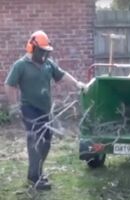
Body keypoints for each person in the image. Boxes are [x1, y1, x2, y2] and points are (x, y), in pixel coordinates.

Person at [4, 30, 87, 190]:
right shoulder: (21, 65)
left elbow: (62, 75)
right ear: (32, 48)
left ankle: (36, 172)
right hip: (29, 109)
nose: (44, 55)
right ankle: (35, 178)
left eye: (46, 52)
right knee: (36, 141)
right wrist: (14, 106)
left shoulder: (48, 64)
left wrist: (78, 84)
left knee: (46, 142)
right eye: (41, 52)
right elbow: (9, 85)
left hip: (45, 110)